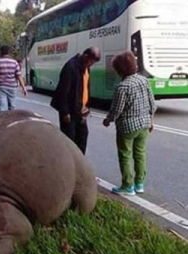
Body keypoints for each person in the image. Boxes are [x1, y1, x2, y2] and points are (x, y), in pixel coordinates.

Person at [103, 51, 156, 196]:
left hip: (127, 127)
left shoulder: (123, 87)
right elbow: (152, 103)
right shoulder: (144, 80)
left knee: (125, 155)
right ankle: (139, 184)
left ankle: (128, 186)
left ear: (120, 70)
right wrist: (151, 120)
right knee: (140, 154)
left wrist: (108, 120)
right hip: (144, 124)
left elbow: (117, 110)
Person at [50, 46, 101, 155]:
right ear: (85, 56)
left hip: (81, 110)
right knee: (69, 140)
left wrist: (86, 107)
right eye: (90, 61)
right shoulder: (70, 67)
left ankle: (79, 163)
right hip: (69, 111)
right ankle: (68, 164)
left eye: (92, 63)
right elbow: (63, 91)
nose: (90, 64)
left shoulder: (86, 67)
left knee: (82, 137)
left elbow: (85, 88)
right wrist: (64, 112)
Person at [0, 45, 27, 111]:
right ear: (9, 52)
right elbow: (18, 76)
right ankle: (11, 120)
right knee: (12, 106)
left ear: (0, 52)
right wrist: (24, 88)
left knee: (2, 107)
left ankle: (3, 120)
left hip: (1, 87)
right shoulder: (14, 62)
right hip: (12, 87)